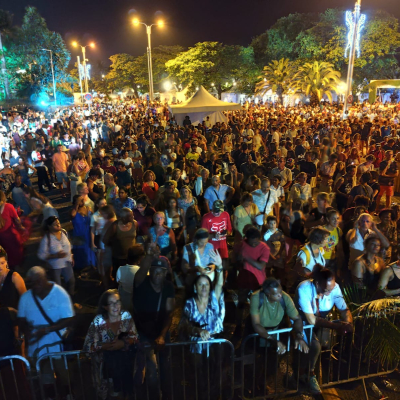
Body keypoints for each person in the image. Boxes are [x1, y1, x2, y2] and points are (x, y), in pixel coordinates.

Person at [295, 265, 353, 394]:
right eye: (326, 290)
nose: (330, 293)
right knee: (314, 346)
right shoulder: (304, 289)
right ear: (317, 283)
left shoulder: (334, 288)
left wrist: (348, 323)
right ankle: (307, 374)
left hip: (322, 320)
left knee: (324, 345)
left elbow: (344, 309)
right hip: (302, 320)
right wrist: (338, 326)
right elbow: (311, 319)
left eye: (331, 290)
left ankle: (307, 370)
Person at [18, 267, 75, 398]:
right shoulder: (26, 297)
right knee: (45, 375)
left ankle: (69, 394)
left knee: (63, 372)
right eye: (33, 282)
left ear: (45, 278)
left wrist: (47, 330)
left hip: (57, 341)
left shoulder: (59, 293)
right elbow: (21, 320)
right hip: (37, 345)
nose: (36, 284)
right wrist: (28, 333)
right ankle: (50, 396)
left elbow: (69, 318)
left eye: (39, 281)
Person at [133, 244, 175, 399]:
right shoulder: (141, 285)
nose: (158, 275)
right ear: (151, 272)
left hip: (161, 331)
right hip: (144, 332)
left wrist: (163, 335)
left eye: (161, 272)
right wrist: (149, 255)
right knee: (151, 371)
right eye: (155, 271)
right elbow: (140, 274)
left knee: (165, 367)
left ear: (165, 274)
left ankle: (167, 394)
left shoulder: (168, 287)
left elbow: (170, 313)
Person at [83, 289, 138, 400]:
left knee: (125, 395)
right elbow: (87, 346)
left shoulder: (126, 317)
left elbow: (135, 337)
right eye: (111, 303)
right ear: (105, 307)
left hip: (125, 367)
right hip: (105, 371)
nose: (115, 306)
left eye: (117, 301)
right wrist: (106, 346)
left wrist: (123, 343)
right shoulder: (98, 322)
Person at [235, 227, 270, 337]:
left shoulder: (265, 248)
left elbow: (260, 266)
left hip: (258, 281)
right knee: (241, 304)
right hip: (244, 279)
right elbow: (236, 259)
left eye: (256, 242)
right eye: (251, 242)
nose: (254, 244)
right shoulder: (242, 244)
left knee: (257, 305)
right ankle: (238, 326)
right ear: (247, 239)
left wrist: (246, 257)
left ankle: (255, 327)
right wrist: (239, 259)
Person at [38, 216, 75, 297]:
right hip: (55, 266)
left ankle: (70, 298)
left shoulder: (64, 232)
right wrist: (55, 255)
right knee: (57, 286)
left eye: (58, 223)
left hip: (67, 262)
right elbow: (41, 255)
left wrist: (71, 255)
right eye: (55, 224)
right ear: (49, 227)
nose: (58, 225)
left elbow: (69, 245)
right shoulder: (46, 239)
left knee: (71, 281)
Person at [103, 207, 138, 277]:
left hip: (131, 257)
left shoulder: (135, 223)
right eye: (130, 216)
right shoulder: (115, 226)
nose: (133, 217)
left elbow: (135, 236)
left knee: (131, 276)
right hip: (119, 258)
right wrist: (115, 246)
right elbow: (105, 240)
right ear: (124, 218)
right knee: (119, 276)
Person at [201, 199, 232, 267]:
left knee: (224, 266)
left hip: (223, 246)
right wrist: (213, 235)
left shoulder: (226, 215)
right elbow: (202, 236)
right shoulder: (206, 218)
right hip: (211, 247)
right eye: (216, 212)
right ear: (212, 208)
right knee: (213, 266)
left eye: (220, 211)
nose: (218, 214)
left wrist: (227, 233)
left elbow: (230, 230)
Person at [0, 190, 25, 268]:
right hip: (11, 236)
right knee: (15, 253)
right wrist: (21, 227)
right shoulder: (8, 206)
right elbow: (17, 220)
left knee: (7, 254)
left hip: (1, 239)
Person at [70, 195, 96, 270]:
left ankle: (91, 265)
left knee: (89, 250)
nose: (82, 202)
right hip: (79, 235)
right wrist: (76, 205)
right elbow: (72, 215)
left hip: (88, 234)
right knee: (80, 252)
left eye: (82, 200)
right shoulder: (73, 211)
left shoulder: (88, 209)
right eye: (79, 200)